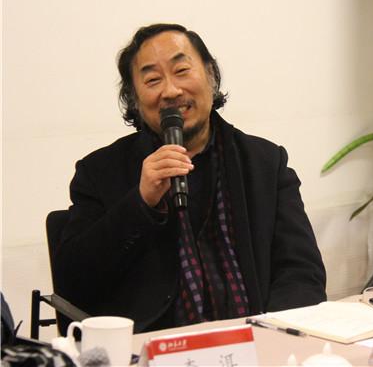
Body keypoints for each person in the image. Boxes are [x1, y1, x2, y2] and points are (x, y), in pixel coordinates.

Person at [53, 23, 327, 333]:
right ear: (135, 98)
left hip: (255, 340)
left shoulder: (264, 162)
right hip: (154, 347)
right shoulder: (99, 171)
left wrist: (271, 336)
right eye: (153, 80)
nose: (171, 91)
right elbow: (72, 283)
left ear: (210, 75)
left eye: (181, 71)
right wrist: (140, 203)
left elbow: (301, 272)